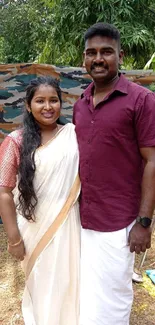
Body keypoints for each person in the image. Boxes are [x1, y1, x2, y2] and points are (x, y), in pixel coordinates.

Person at [73, 22, 155, 325]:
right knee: (87, 292)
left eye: (106, 52)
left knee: (114, 297)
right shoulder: (80, 104)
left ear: (120, 56)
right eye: (91, 52)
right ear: (83, 58)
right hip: (82, 218)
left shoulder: (141, 100)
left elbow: (152, 162)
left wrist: (144, 222)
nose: (98, 58)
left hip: (119, 222)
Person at [0, 76, 81, 325]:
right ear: (27, 105)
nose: (48, 107)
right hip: (33, 229)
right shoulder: (15, 141)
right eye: (40, 101)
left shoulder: (73, 136)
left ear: (61, 103)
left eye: (54, 100)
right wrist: (14, 239)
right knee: (44, 285)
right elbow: (4, 192)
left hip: (71, 225)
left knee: (70, 283)